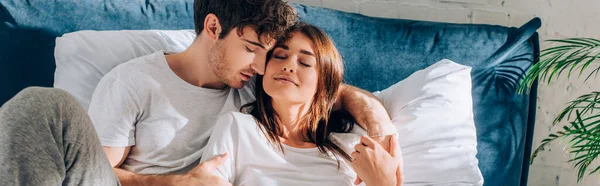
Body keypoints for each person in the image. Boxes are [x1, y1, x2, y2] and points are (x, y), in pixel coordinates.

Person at [0, 0, 396, 185]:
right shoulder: (133, 82)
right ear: (212, 28)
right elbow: (93, 178)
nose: (261, 67)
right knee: (44, 105)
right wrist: (178, 182)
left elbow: (327, 89)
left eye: (268, 55)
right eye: (253, 50)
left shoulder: (255, 86)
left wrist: (380, 128)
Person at [200, 22, 402, 186]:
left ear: (324, 83)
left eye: (304, 63)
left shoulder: (350, 148)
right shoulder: (237, 128)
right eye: (280, 56)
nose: (288, 66)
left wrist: (382, 183)